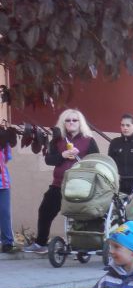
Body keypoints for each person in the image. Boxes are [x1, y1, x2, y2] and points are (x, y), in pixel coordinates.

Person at [26, 108, 99, 252]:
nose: (71, 122)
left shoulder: (89, 140)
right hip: (59, 184)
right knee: (45, 210)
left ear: (80, 122)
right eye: (68, 120)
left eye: (74, 120)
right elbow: (48, 160)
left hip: (80, 186)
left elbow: (95, 162)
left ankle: (83, 244)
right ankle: (41, 244)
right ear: (63, 123)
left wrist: (81, 158)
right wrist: (63, 155)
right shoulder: (57, 140)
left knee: (80, 216)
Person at [1, 139, 14, 252]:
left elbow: (6, 158)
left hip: (3, 184)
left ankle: (7, 242)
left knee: (4, 213)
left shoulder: (4, 140)